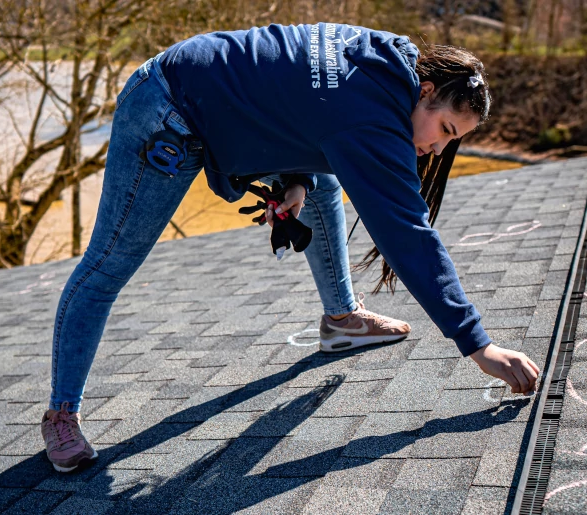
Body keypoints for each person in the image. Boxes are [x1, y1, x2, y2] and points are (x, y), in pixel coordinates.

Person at [40, 22, 540, 473]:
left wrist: (294, 178)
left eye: (452, 142)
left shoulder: (392, 59)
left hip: (210, 88)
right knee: (109, 265)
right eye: (445, 131)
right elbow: (408, 236)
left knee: (320, 184)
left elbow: (301, 98)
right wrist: (479, 346)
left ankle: (342, 320)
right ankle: (61, 414)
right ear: (426, 89)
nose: (436, 149)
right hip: (168, 111)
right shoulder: (373, 118)